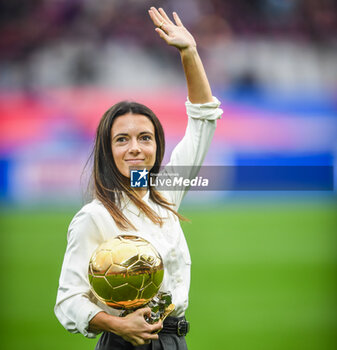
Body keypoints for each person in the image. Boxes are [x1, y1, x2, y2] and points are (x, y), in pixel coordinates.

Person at [55, 7, 223, 350]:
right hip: (124, 343)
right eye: (122, 139)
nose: (135, 148)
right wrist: (117, 324)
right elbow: (68, 301)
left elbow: (204, 120)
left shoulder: (166, 193)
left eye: (145, 138)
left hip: (176, 341)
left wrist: (190, 53)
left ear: (157, 146)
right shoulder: (94, 216)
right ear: (107, 149)